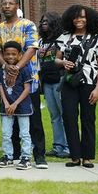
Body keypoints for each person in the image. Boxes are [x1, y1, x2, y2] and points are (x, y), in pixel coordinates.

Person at [0, 0, 47, 168]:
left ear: (17, 5)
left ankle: (39, 155)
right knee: (11, 118)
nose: (7, 6)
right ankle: (14, 155)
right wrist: (5, 66)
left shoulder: (28, 25)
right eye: (4, 3)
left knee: (33, 119)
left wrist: (17, 67)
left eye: (10, 3)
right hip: (8, 80)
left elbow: (32, 47)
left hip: (28, 78)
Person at [57, 5, 98, 169]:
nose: (79, 20)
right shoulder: (64, 38)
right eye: (76, 17)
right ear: (70, 19)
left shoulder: (97, 39)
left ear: (89, 19)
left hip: (89, 84)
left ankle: (87, 157)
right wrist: (63, 62)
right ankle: (75, 157)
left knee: (88, 119)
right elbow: (55, 59)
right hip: (69, 83)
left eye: (83, 17)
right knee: (69, 118)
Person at [0, 41, 34, 170]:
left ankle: (26, 157)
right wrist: (6, 103)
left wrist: (15, 103)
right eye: (7, 54)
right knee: (6, 133)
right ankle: (8, 156)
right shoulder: (1, 70)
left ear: (20, 55)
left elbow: (27, 88)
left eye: (13, 54)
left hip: (22, 106)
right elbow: (0, 86)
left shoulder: (24, 69)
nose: (10, 56)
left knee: (24, 133)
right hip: (6, 107)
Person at [37, 12, 70, 159]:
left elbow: (62, 60)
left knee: (65, 114)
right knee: (54, 115)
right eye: (42, 21)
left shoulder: (62, 40)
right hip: (47, 81)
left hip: (60, 80)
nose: (44, 23)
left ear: (55, 23)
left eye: (47, 21)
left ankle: (69, 146)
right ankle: (58, 146)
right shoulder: (41, 41)